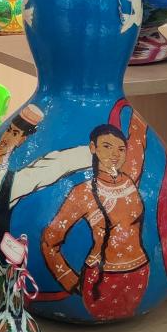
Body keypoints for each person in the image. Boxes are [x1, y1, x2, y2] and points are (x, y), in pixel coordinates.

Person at [41, 120, 149, 321]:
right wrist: (71, 281)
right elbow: (50, 240)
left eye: (121, 149)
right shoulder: (83, 193)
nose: (115, 154)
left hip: (140, 272)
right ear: (93, 148)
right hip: (102, 279)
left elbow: (138, 138)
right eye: (107, 146)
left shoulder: (130, 179)